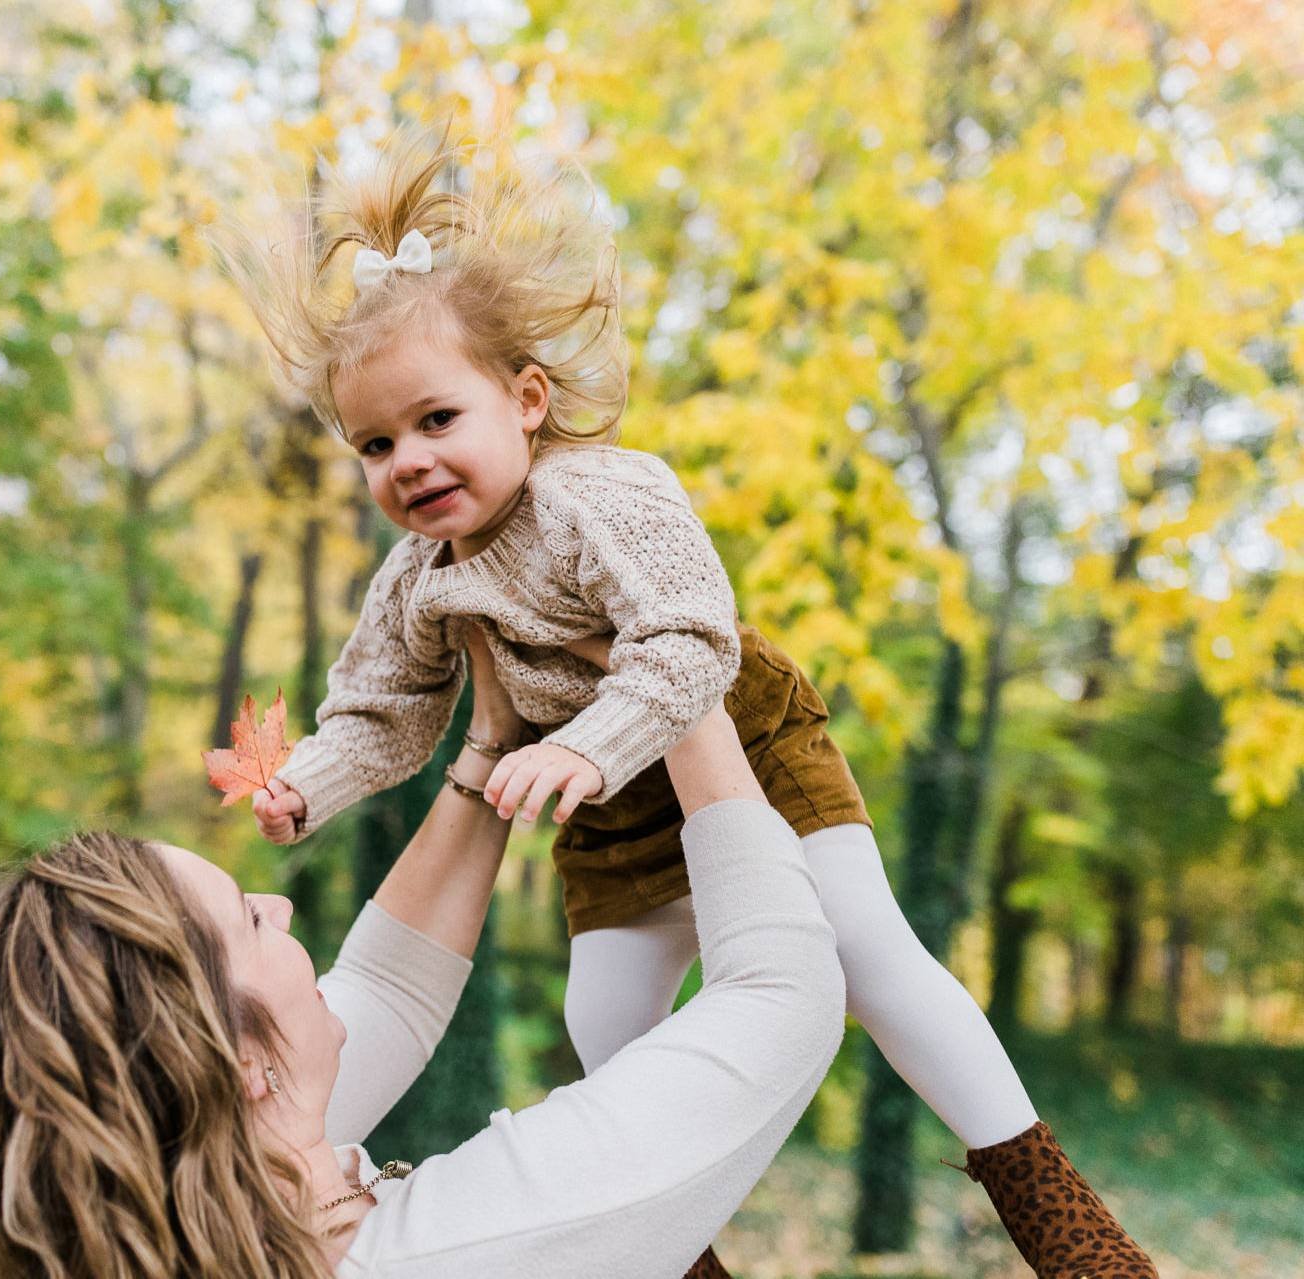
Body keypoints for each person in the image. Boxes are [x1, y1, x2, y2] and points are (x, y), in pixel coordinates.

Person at [216, 125, 1156, 1278]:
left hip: (732, 744)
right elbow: (382, 711)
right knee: (604, 1023)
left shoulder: (602, 496)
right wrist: (305, 787)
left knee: (862, 947)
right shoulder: (418, 580)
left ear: (525, 398)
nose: (405, 460)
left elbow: (687, 637)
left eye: (435, 420)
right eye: (373, 442)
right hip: (599, 797)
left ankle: (1055, 1211)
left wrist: (593, 746)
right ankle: (681, 1257)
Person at [0, 632, 843, 1276]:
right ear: (235, 1060)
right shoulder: (460, 1248)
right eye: (249, 922)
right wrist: (681, 684)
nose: (282, 900)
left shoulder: (222, 1205)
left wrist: (490, 739)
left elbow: (388, 984)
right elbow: (780, 997)